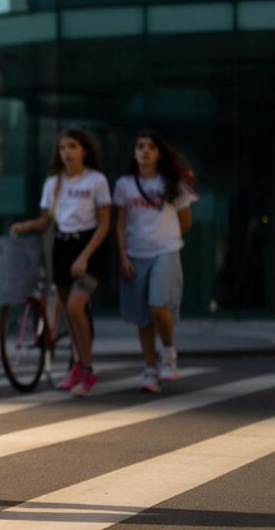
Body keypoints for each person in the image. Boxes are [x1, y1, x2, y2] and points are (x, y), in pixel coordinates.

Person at [11, 129, 111, 396]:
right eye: (63, 147)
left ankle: (88, 371)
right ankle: (78, 366)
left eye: (72, 146)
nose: (66, 152)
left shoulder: (96, 181)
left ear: (84, 151)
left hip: (89, 245)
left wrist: (85, 256)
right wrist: (27, 225)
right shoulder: (53, 183)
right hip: (62, 245)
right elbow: (47, 221)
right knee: (68, 312)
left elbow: (105, 224)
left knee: (76, 305)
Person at [114, 130, 197, 393]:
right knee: (142, 317)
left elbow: (186, 221)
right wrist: (123, 255)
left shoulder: (174, 183)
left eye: (151, 146)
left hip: (165, 250)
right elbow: (120, 223)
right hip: (136, 253)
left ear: (159, 152)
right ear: (134, 152)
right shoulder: (124, 185)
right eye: (140, 146)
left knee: (158, 306)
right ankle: (150, 370)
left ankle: (169, 351)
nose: (145, 151)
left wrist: (166, 238)